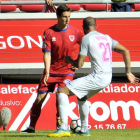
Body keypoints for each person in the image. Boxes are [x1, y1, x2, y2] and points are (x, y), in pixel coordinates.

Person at [47, 17, 140, 137]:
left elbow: (79, 64)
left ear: (84, 28)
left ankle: (63, 128)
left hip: (97, 77)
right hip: (107, 78)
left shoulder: (86, 38)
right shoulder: (107, 37)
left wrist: (70, 60)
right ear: (96, 26)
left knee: (61, 92)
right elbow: (126, 51)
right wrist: (128, 72)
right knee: (82, 97)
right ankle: (84, 129)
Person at [21, 4, 84, 133]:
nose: (67, 19)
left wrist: (78, 62)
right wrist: (47, 72)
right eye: (65, 17)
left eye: (69, 17)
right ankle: (31, 127)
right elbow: (47, 53)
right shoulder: (49, 32)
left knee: (61, 96)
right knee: (39, 98)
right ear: (58, 16)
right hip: (52, 71)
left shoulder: (76, 32)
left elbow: (86, 46)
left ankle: (60, 126)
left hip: (67, 71)